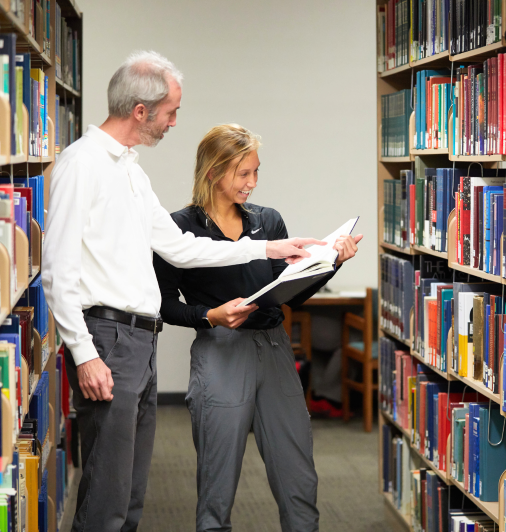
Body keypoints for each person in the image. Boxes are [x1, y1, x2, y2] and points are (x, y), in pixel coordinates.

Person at [42, 51, 324, 532]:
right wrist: (85, 354)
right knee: (107, 492)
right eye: (171, 111)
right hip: (108, 339)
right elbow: (56, 269)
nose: (175, 122)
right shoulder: (82, 165)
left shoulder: (130, 171)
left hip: (138, 340)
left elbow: (181, 249)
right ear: (140, 111)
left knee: (130, 492)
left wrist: (270, 247)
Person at [154, 124, 362, 532]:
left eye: (256, 172)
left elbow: (290, 295)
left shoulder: (268, 221)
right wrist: (209, 316)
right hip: (220, 352)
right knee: (217, 484)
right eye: (243, 173)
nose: (252, 183)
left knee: (298, 475)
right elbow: (162, 305)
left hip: (275, 349)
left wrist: (331, 263)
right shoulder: (178, 228)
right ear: (213, 172)